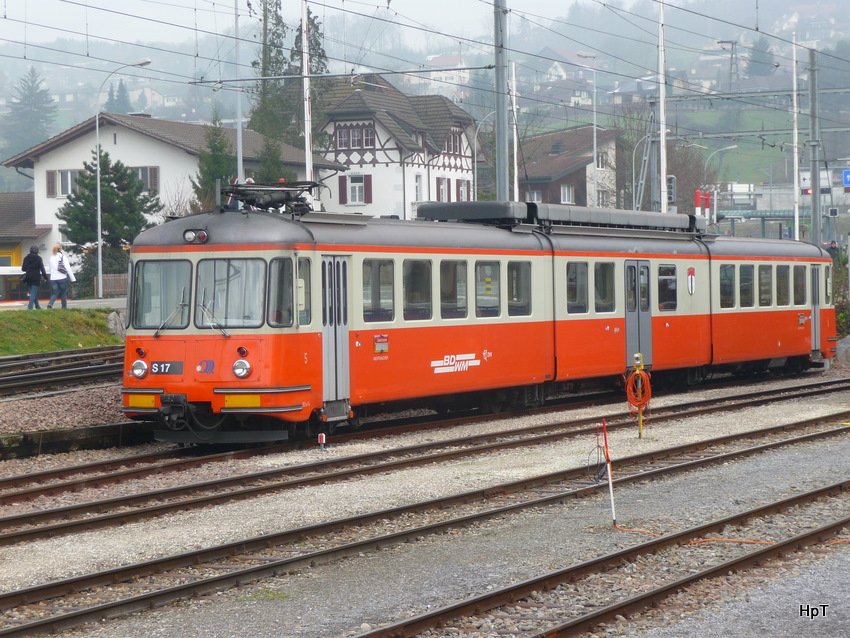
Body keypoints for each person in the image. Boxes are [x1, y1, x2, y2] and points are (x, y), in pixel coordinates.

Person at [47, 243, 76, 309]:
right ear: (60, 249)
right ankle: (64, 307)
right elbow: (68, 269)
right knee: (63, 293)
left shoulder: (51, 258)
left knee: (54, 293)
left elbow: (50, 269)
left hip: (53, 278)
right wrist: (73, 279)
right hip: (62, 278)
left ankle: (50, 304)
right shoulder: (63, 257)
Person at [21, 245, 48, 310]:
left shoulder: (26, 258)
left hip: (28, 277)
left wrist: (29, 268)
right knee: (33, 293)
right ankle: (30, 308)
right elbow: (42, 269)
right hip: (36, 277)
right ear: (37, 251)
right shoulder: (39, 258)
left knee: (33, 292)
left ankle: (37, 306)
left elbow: (23, 269)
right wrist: (46, 278)